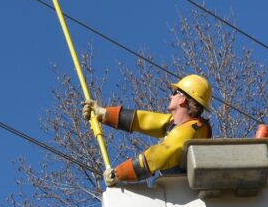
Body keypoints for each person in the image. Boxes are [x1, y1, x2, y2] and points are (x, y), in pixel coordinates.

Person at [83, 74, 212, 187]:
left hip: (186, 195)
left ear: (183, 99)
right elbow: (145, 120)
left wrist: (118, 173)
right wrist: (104, 113)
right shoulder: (177, 124)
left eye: (174, 93)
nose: (170, 96)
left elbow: (160, 155)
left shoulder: (194, 129)